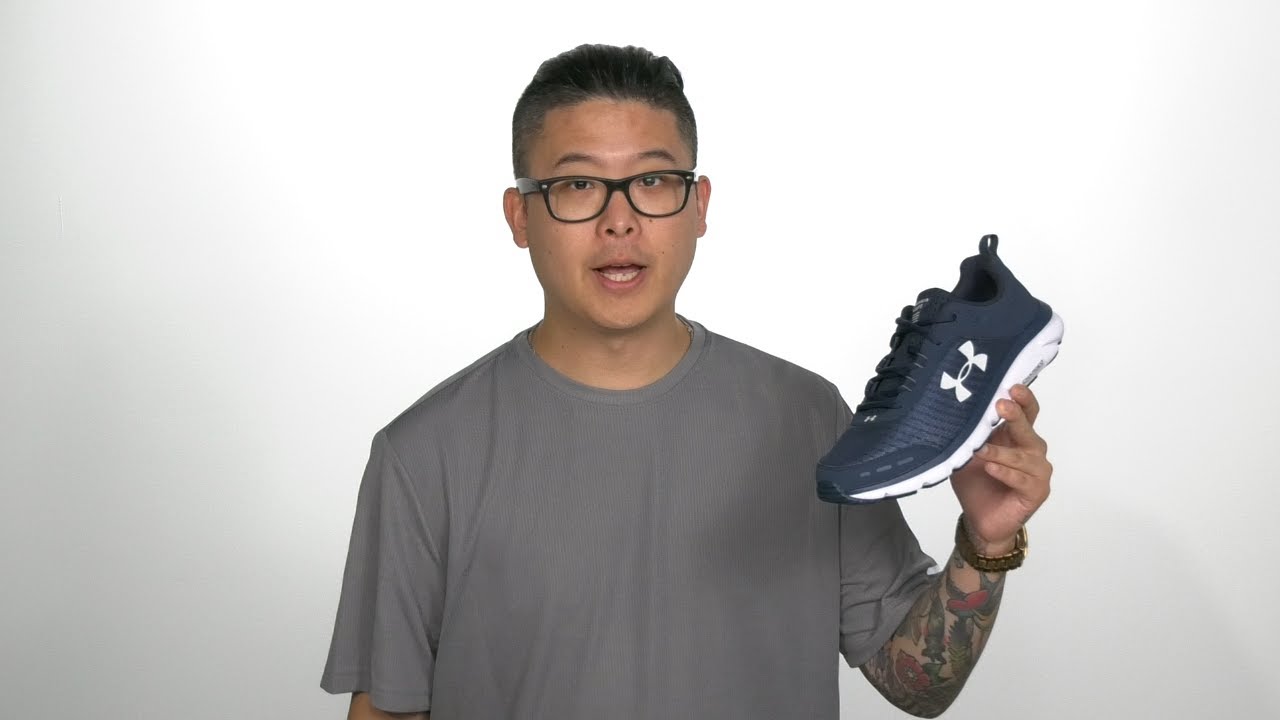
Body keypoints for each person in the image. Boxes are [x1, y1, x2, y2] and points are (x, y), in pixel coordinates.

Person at [320, 43, 1053, 720]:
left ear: (698, 206)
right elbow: (387, 711)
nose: (619, 221)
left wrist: (985, 544)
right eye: (577, 184)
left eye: (652, 181)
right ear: (520, 216)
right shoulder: (423, 455)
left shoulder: (807, 419)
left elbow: (918, 684)